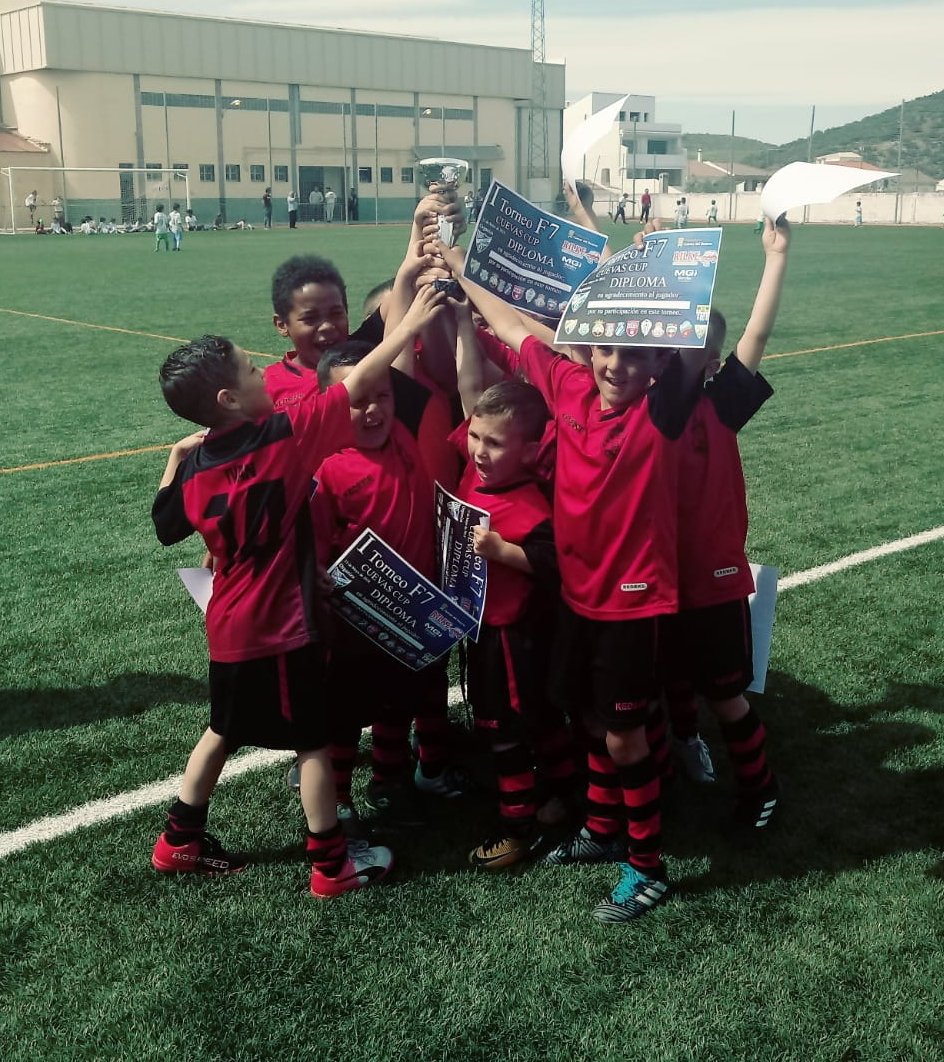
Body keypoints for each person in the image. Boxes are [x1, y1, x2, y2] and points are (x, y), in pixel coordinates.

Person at [437, 236, 707, 923]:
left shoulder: (661, 409)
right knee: (587, 720)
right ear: (586, 349)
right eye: (607, 350)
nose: (618, 365)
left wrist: (651, 268)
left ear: (657, 362)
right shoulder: (568, 387)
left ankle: (646, 868)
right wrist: (465, 271)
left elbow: (690, 335)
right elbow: (516, 328)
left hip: (633, 603)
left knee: (623, 734)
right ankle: (602, 827)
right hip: (576, 598)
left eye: (636, 355)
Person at [149, 286, 445, 898]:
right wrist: (412, 319)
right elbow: (357, 381)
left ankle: (178, 838)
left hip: (226, 621)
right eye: (251, 368)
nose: (264, 372)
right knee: (312, 743)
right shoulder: (284, 436)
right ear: (230, 398)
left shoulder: (200, 461)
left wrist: (179, 455)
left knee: (221, 730)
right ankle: (332, 866)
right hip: (281, 626)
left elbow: (165, 523)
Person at [662, 217, 790, 830]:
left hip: (711, 584)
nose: (669, 352)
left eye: (684, 343)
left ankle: (759, 786)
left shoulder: (720, 405)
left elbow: (757, 334)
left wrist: (775, 258)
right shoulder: (640, 409)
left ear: (710, 361)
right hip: (655, 580)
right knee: (668, 681)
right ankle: (683, 745)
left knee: (726, 693)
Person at [310, 341, 456, 827]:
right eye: (356, 400)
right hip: (355, 623)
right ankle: (339, 801)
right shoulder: (327, 468)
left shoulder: (405, 434)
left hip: (412, 612)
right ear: (332, 406)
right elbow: (312, 546)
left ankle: (388, 779)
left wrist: (417, 280)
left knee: (402, 701)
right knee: (345, 717)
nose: (372, 410)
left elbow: (400, 357)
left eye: (383, 396)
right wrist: (321, 577)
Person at [451, 377, 577, 870]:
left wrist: (503, 551)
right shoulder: (474, 475)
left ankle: (516, 830)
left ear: (528, 449)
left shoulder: (531, 504)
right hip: (483, 629)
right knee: (541, 723)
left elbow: (553, 563)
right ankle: (567, 794)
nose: (479, 450)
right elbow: (467, 390)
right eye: (475, 436)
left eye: (495, 442)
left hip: (511, 639)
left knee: (504, 732)